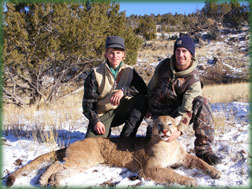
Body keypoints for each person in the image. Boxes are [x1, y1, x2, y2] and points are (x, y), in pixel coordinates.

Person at [147, 35, 221, 165]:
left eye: (184, 51)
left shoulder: (194, 80)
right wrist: (146, 110)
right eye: (178, 51)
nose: (180, 55)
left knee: (201, 102)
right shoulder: (164, 66)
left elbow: (186, 108)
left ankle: (204, 150)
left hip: (177, 115)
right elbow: (150, 89)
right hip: (158, 115)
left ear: (191, 54)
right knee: (149, 144)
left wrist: (179, 129)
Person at [82, 36, 148, 138]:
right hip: (102, 115)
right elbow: (88, 105)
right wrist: (95, 122)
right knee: (91, 144)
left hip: (121, 111)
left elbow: (143, 89)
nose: (115, 56)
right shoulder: (95, 74)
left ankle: (126, 138)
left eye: (118, 53)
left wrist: (124, 90)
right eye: (111, 53)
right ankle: (104, 131)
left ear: (123, 55)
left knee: (142, 99)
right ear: (106, 54)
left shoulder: (130, 71)